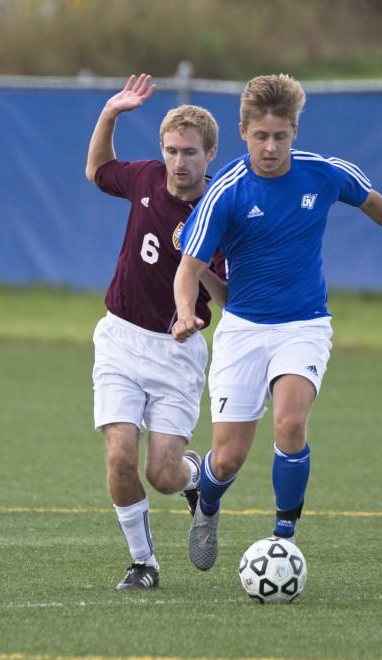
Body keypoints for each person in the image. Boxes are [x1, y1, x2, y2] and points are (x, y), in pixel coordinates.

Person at [172, 73, 382, 571]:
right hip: (243, 330)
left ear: (295, 132)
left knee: (291, 423)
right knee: (228, 458)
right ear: (242, 133)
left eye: (280, 136)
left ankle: (284, 536)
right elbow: (188, 268)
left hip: (305, 324)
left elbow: (372, 201)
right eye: (260, 137)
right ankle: (206, 506)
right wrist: (187, 312)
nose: (270, 147)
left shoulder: (323, 173)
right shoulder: (227, 190)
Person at [85, 74, 228, 589]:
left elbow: (231, 301)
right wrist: (110, 113)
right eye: (171, 150)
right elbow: (97, 169)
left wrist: (202, 257)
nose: (179, 162)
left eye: (190, 151)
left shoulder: (222, 212)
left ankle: (197, 477)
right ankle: (143, 563)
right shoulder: (145, 178)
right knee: (120, 453)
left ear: (210, 153)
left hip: (176, 351)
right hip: (120, 338)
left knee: (162, 476)